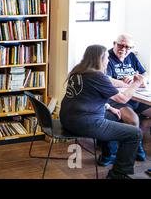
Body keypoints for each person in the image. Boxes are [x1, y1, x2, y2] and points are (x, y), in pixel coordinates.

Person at [60, 44, 143, 179]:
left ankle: (107, 155)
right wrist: (136, 83)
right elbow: (123, 98)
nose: (108, 61)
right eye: (107, 57)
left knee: (115, 116)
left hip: (68, 119)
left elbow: (84, 97)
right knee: (135, 133)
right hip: (85, 123)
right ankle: (118, 174)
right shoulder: (97, 76)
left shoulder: (78, 71)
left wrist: (108, 107)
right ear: (100, 58)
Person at [98, 34, 151, 166]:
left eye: (128, 47)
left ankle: (136, 145)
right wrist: (130, 83)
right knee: (133, 120)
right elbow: (106, 80)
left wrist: (141, 80)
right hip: (116, 99)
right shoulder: (106, 57)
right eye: (121, 45)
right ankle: (135, 148)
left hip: (136, 97)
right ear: (114, 43)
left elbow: (145, 74)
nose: (124, 49)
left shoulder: (132, 56)